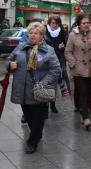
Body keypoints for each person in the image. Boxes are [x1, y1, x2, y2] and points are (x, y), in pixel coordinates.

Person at [8, 22, 61, 153]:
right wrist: (10, 65)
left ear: (42, 35)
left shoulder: (48, 50)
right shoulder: (20, 47)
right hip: (22, 89)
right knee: (29, 116)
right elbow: (9, 59)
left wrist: (43, 83)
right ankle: (37, 134)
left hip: (39, 90)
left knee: (38, 117)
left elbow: (55, 69)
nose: (32, 35)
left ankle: (32, 141)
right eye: (30, 33)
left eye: (35, 33)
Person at [65, 13, 91, 130]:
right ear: (79, 24)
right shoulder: (73, 35)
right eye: (84, 23)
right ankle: (86, 117)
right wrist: (74, 64)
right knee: (82, 92)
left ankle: (84, 114)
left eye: (88, 23)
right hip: (78, 69)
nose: (86, 25)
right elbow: (68, 52)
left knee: (90, 92)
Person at [44, 15, 69, 113]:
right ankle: (45, 106)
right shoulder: (45, 32)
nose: (55, 25)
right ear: (49, 23)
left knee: (54, 84)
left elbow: (67, 44)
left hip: (58, 59)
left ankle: (53, 105)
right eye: (53, 23)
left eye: (57, 23)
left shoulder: (62, 32)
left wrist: (63, 46)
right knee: (46, 84)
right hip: (46, 60)